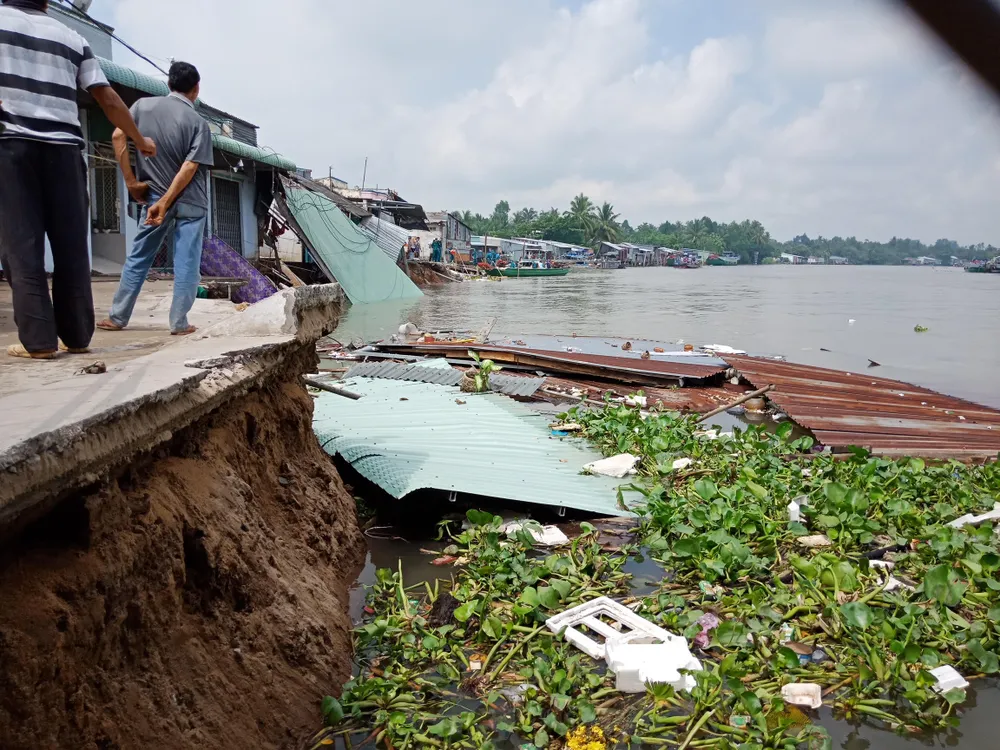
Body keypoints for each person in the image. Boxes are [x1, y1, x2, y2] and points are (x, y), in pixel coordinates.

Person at [0, 0, 155, 359]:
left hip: (11, 146)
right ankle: (77, 336)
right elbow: (107, 97)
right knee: (72, 246)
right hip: (66, 151)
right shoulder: (71, 36)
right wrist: (139, 139)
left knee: (22, 247)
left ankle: (39, 343)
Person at [97, 60, 214, 336]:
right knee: (186, 262)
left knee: (139, 257)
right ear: (196, 89)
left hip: (153, 198)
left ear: (169, 84)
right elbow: (189, 166)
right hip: (191, 202)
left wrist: (131, 183)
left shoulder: (140, 107)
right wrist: (169, 200)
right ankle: (179, 323)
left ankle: (117, 317)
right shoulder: (199, 123)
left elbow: (117, 137)